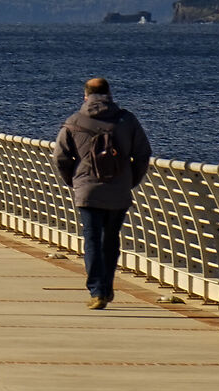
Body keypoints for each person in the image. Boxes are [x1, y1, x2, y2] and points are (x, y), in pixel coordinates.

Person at [52, 75, 154, 309]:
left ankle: (97, 291)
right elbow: (142, 154)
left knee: (92, 240)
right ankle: (106, 288)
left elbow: (61, 157)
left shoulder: (75, 120)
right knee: (110, 240)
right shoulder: (127, 120)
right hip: (119, 191)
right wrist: (130, 181)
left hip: (87, 191)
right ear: (109, 94)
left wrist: (74, 181)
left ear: (85, 95)